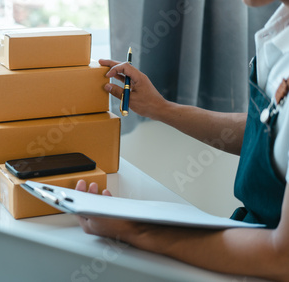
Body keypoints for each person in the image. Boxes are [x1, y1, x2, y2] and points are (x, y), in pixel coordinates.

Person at [75, 0, 289, 280]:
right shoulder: (279, 28)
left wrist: (135, 230)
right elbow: (269, 132)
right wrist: (160, 108)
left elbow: (280, 258)